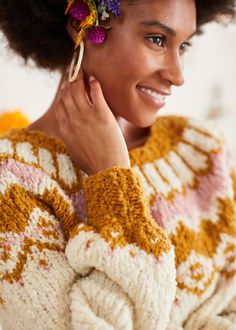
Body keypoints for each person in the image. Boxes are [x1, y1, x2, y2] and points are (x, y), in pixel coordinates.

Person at [0, 0, 236, 329]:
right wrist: (112, 179)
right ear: (79, 27)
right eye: (157, 39)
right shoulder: (11, 184)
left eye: (183, 45)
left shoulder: (202, 149)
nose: (178, 74)